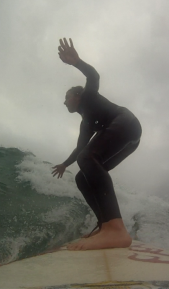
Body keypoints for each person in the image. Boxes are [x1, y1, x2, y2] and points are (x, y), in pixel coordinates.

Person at [51, 38, 142, 251]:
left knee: (87, 158)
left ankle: (116, 230)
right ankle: (105, 226)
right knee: (82, 176)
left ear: (77, 95)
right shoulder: (86, 123)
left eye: (66, 97)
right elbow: (80, 150)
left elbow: (93, 75)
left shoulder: (89, 96)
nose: (64, 102)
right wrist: (65, 164)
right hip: (131, 139)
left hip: (126, 122)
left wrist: (76, 62)